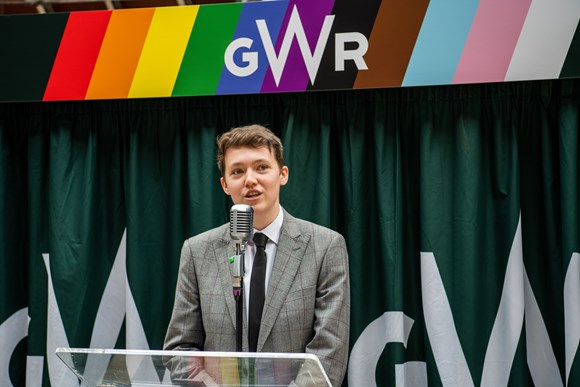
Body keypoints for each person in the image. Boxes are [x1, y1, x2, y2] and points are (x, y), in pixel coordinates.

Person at [164, 124, 350, 386]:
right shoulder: (197, 251)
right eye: (238, 171)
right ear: (225, 184)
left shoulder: (325, 246)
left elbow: (328, 354)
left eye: (261, 167)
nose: (250, 180)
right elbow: (181, 350)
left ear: (282, 174)